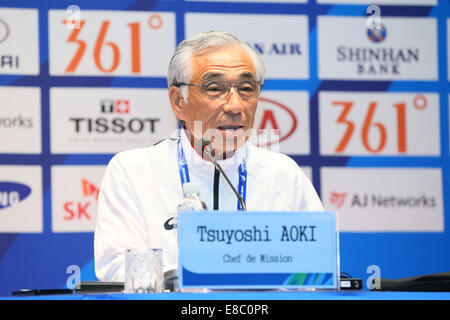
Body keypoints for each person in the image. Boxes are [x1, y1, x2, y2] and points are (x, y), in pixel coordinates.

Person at [94, 31, 324, 282]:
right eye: (214, 89)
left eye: (247, 88)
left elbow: (317, 272)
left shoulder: (284, 175)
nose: (235, 106)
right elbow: (118, 272)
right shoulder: (133, 171)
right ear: (177, 101)